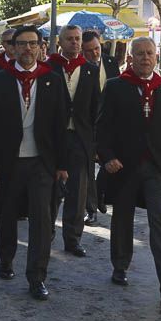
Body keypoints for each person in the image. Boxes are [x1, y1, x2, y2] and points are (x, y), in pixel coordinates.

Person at [0, 25, 68, 300]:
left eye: (33, 43)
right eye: (22, 44)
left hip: (41, 163)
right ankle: (6, 259)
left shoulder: (53, 80)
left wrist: (62, 164)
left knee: (42, 221)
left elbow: (60, 126)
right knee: (6, 215)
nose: (27, 49)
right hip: (9, 162)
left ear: (41, 47)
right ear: (12, 48)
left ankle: (37, 276)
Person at [98, 36, 161, 301]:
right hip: (124, 166)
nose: (145, 58)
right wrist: (107, 157)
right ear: (131, 58)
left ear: (156, 57)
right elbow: (102, 127)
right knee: (122, 217)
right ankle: (120, 266)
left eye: (150, 53)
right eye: (140, 54)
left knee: (160, 220)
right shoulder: (115, 87)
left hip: (157, 167)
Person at [48, 24, 99, 257]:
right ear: (61, 41)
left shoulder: (90, 70)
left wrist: (95, 143)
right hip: (53, 138)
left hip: (80, 138)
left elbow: (96, 108)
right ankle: (45, 232)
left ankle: (73, 238)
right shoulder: (48, 68)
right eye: (69, 39)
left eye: (77, 39)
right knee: (50, 189)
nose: (75, 43)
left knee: (78, 191)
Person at [81, 30, 119, 224]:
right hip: (88, 125)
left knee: (108, 163)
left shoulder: (111, 63)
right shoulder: (80, 68)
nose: (94, 54)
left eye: (96, 48)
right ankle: (92, 207)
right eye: (88, 51)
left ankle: (100, 193)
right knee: (87, 168)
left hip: (110, 125)